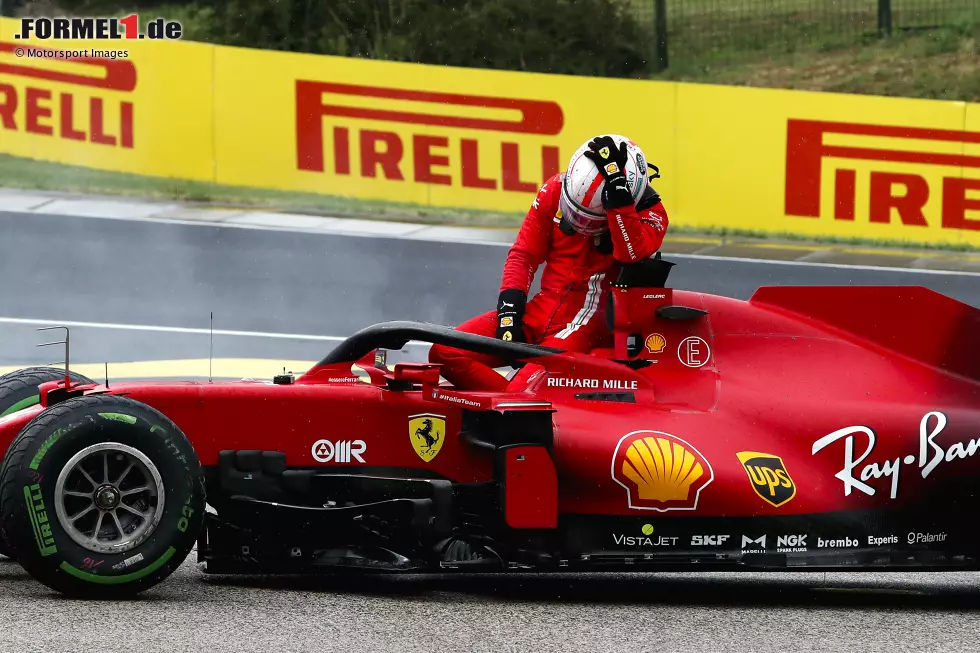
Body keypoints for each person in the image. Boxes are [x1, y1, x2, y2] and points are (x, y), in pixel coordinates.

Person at [428, 134, 670, 391]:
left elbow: (631, 253)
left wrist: (620, 207)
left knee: (523, 393)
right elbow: (524, 254)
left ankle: (513, 412)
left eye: (590, 218)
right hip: (540, 311)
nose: (580, 223)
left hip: (587, 325)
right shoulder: (557, 188)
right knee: (444, 353)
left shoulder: (651, 213)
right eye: (574, 211)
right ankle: (507, 413)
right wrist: (509, 312)